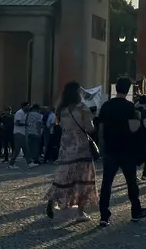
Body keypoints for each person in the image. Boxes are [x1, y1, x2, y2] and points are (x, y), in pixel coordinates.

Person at [98, 76, 146, 227]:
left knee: (106, 183)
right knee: (131, 182)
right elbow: (134, 128)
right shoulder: (130, 107)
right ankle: (135, 211)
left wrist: (102, 146)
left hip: (110, 148)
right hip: (127, 149)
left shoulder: (106, 106)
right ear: (128, 90)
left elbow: (101, 128)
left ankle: (104, 215)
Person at [45, 82, 98, 222]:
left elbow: (61, 126)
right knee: (83, 180)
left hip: (66, 148)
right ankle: (80, 213)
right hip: (81, 148)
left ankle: (53, 198)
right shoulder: (82, 108)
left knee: (64, 176)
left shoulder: (61, 109)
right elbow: (89, 128)